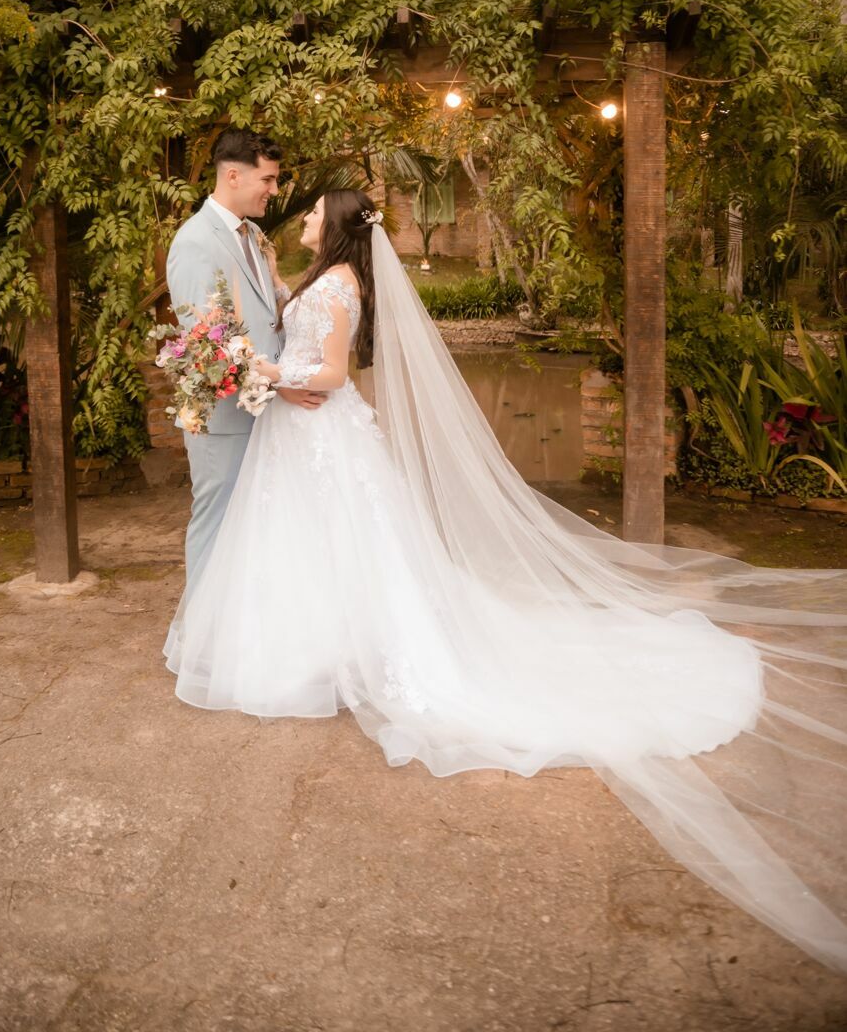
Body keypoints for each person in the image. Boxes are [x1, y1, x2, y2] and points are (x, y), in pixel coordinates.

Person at [164, 187, 847, 974]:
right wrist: (261, 360)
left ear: (341, 225)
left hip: (321, 433)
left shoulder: (343, 285)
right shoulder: (316, 275)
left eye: (318, 211)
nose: (307, 217)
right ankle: (318, 647)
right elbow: (295, 331)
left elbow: (337, 375)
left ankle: (367, 648)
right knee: (311, 548)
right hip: (301, 436)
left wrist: (271, 374)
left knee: (354, 547)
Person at [165, 128, 325, 584]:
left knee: (254, 529)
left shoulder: (253, 234)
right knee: (217, 525)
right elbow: (206, 342)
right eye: (269, 180)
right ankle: (202, 641)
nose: (275, 191)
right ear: (233, 175)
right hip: (221, 416)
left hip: (263, 410)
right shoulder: (195, 241)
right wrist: (281, 381)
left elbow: (268, 317)